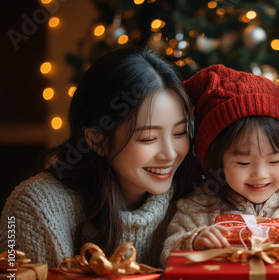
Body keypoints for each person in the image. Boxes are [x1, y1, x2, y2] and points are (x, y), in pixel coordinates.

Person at [0, 47, 202, 267]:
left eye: (179, 133)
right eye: (148, 138)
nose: (171, 153)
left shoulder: (197, 201)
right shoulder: (37, 208)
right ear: (97, 140)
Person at [160, 65, 279, 275]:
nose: (260, 174)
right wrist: (193, 241)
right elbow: (166, 258)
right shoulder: (197, 207)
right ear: (216, 161)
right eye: (243, 163)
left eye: (275, 161)